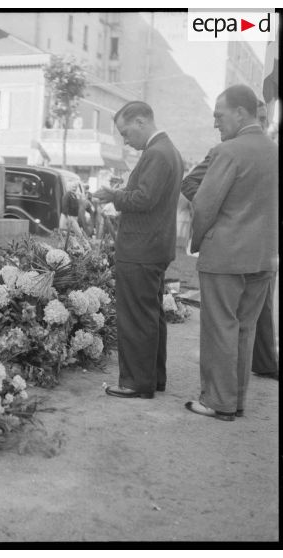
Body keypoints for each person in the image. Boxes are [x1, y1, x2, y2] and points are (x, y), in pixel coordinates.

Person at [185, 85, 278, 421]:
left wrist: (198, 242)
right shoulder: (274, 150)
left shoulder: (229, 151)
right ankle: (236, 400)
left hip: (225, 256)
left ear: (240, 113)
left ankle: (217, 401)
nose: (215, 123)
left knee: (219, 328)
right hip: (262, 257)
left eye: (219, 115)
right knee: (244, 329)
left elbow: (204, 205)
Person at [94, 101, 183, 398]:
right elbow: (149, 197)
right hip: (153, 246)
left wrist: (114, 195)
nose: (125, 141)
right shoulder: (165, 150)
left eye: (125, 132)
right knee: (151, 315)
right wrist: (123, 193)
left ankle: (135, 382)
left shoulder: (157, 153)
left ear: (142, 121)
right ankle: (153, 378)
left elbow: (143, 200)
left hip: (141, 248)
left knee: (136, 317)